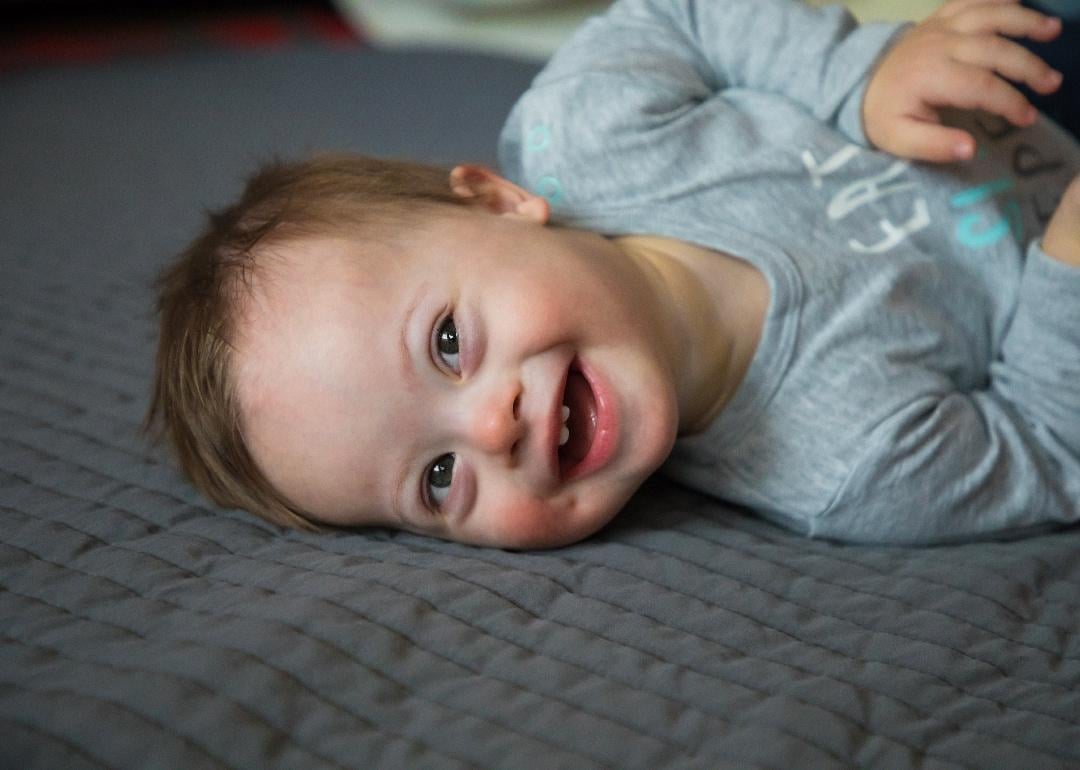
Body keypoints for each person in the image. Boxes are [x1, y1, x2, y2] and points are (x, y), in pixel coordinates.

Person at [147, 0, 1080, 549]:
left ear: (497, 201)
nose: (487, 426)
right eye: (437, 481)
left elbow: (682, 12)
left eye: (446, 343)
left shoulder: (587, 130)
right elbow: (1049, 442)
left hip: (1013, 75)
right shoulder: (848, 464)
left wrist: (856, 78)